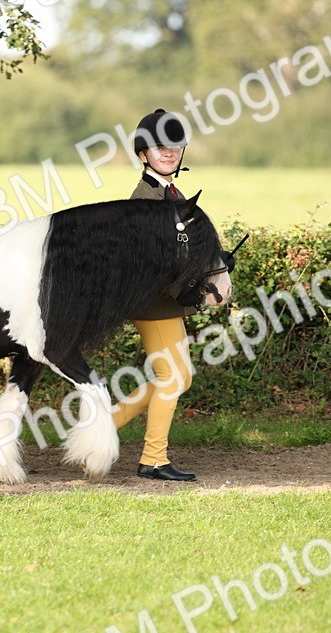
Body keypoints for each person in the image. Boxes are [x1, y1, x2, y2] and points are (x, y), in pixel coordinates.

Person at [111, 108, 200, 481]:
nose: (169, 153)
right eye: (159, 147)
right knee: (173, 377)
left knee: (181, 377)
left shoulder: (170, 192)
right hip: (153, 303)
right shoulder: (145, 198)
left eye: (175, 147)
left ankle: (102, 427)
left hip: (165, 303)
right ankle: (153, 459)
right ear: (143, 154)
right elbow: (150, 260)